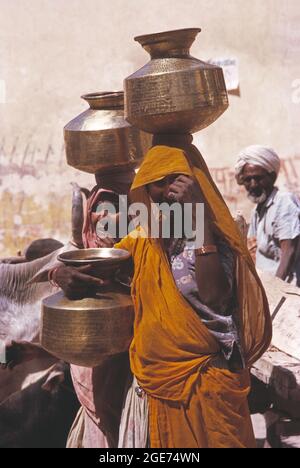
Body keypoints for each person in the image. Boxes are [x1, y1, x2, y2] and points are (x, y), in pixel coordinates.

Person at [111, 144, 272, 448]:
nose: (170, 190)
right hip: (160, 382)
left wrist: (198, 223)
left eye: (178, 179)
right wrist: (65, 271)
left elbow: (215, 297)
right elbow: (102, 265)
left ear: (197, 184)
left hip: (210, 382)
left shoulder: (217, 235)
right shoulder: (147, 239)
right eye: (159, 182)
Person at [235, 145, 300, 284]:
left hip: (288, 291)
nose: (253, 185)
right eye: (247, 180)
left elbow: (289, 251)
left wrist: (276, 288)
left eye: (258, 178)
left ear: (272, 176)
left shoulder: (284, 202)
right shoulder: (258, 211)